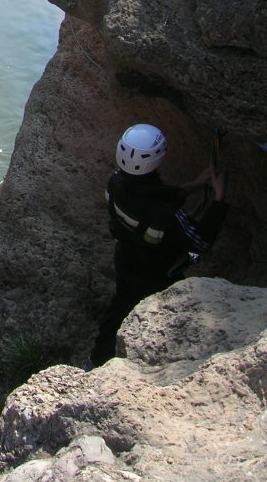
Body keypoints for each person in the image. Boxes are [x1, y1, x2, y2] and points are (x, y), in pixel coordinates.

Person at [89, 123, 228, 367]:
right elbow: (199, 242)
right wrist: (218, 199)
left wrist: (195, 185)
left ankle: (96, 360)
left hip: (126, 258)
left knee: (119, 308)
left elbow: (149, 195)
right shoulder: (168, 216)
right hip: (157, 272)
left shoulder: (115, 183)